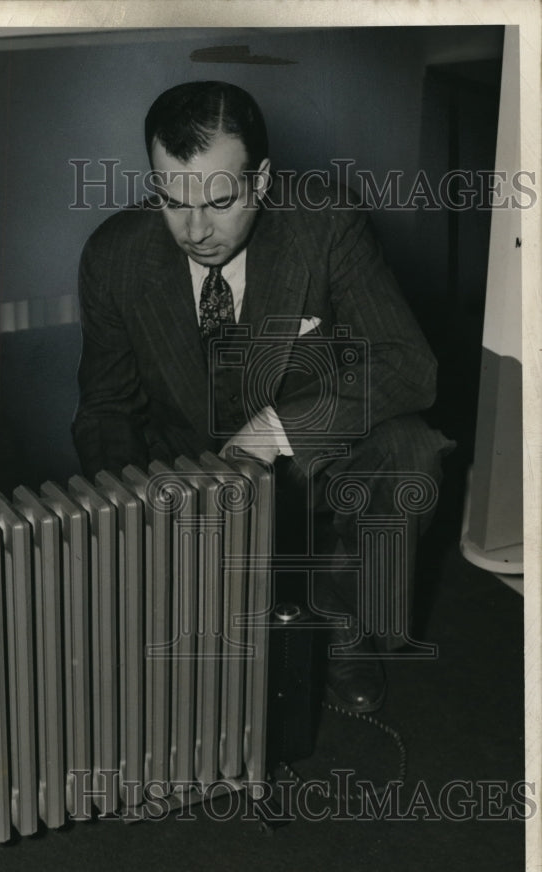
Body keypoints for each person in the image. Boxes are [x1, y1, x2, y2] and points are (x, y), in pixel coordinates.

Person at [72, 80, 454, 714]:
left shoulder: (326, 225)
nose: (195, 229)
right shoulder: (113, 257)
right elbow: (107, 411)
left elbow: (410, 365)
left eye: (220, 200)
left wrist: (276, 430)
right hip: (184, 468)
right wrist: (128, 517)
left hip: (307, 461)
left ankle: (341, 619)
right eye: (171, 200)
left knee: (412, 450)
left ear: (262, 180)